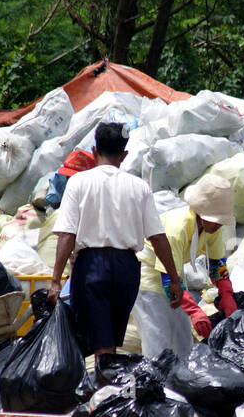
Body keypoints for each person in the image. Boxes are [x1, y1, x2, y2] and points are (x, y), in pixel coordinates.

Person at [48, 122, 181, 356]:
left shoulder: (79, 182)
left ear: (94, 150)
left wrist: (56, 280)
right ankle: (109, 387)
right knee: (110, 340)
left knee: (101, 343)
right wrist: (174, 279)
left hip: (91, 268)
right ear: (125, 155)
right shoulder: (139, 187)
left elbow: (67, 235)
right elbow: (158, 237)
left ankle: (104, 388)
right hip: (126, 269)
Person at [134, 173, 238, 358]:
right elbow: (167, 277)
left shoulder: (210, 228)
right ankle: (157, 384)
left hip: (174, 281)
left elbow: (217, 264)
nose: (219, 226)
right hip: (148, 280)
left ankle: (182, 382)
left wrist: (226, 294)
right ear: (200, 211)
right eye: (216, 221)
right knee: (158, 344)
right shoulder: (178, 227)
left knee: (183, 341)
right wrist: (194, 310)